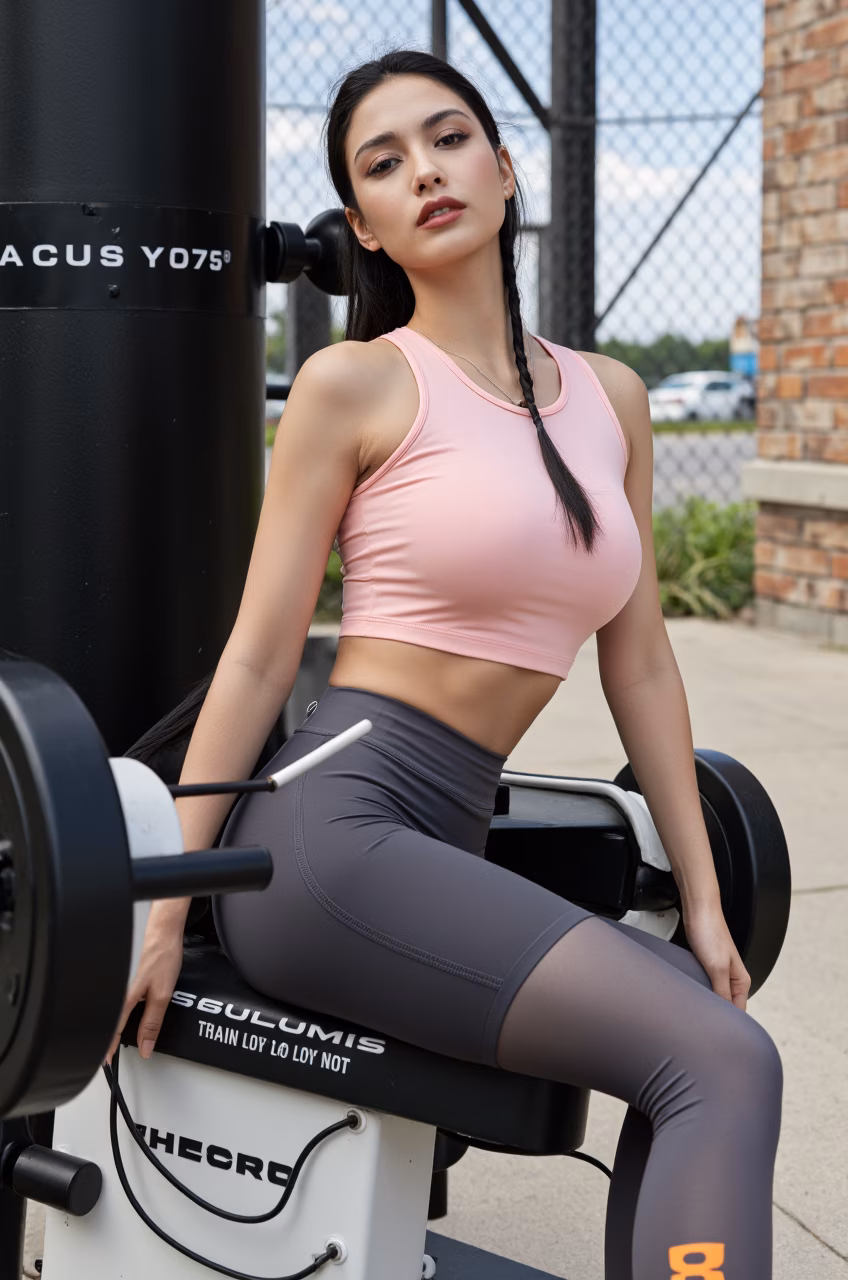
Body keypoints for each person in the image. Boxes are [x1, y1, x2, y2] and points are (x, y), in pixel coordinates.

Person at [107, 48, 783, 1280]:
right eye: (383, 162)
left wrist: (697, 892)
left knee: (700, 1031)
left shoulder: (612, 397)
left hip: (446, 827)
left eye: (449, 137)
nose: (424, 171)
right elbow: (258, 658)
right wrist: (164, 903)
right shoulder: (354, 384)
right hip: (333, 836)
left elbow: (639, 663)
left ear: (505, 166)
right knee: (719, 1061)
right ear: (362, 225)